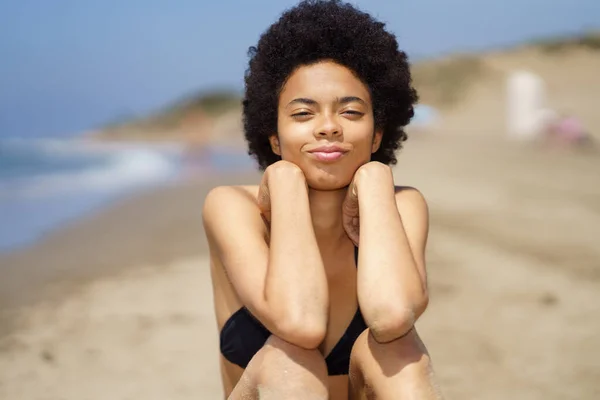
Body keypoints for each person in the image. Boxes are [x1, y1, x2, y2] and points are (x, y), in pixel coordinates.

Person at [202, 1, 444, 398]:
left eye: (350, 112)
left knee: (397, 349)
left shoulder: (403, 206)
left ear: (377, 134)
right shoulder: (230, 206)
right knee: (288, 360)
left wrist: (375, 179)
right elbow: (300, 322)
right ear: (274, 137)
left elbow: (391, 315)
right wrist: (283, 182)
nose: (329, 127)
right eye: (303, 114)